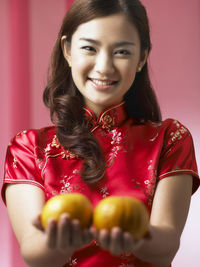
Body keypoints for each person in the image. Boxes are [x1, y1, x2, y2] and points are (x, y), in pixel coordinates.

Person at [2, 0, 199, 266]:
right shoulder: (27, 147)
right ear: (68, 50)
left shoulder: (170, 138)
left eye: (122, 52)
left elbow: (167, 245)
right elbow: (34, 254)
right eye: (89, 48)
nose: (104, 67)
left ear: (141, 57)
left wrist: (137, 238)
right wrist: (57, 243)